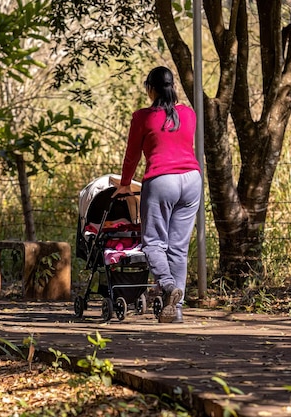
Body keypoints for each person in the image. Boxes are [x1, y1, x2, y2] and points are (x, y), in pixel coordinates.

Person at [112, 66, 202, 323]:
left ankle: (167, 284)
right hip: (192, 180)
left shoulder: (142, 117)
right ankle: (177, 309)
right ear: (173, 87)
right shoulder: (188, 114)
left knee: (152, 242)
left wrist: (126, 183)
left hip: (162, 180)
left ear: (150, 89)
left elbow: (133, 155)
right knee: (178, 248)